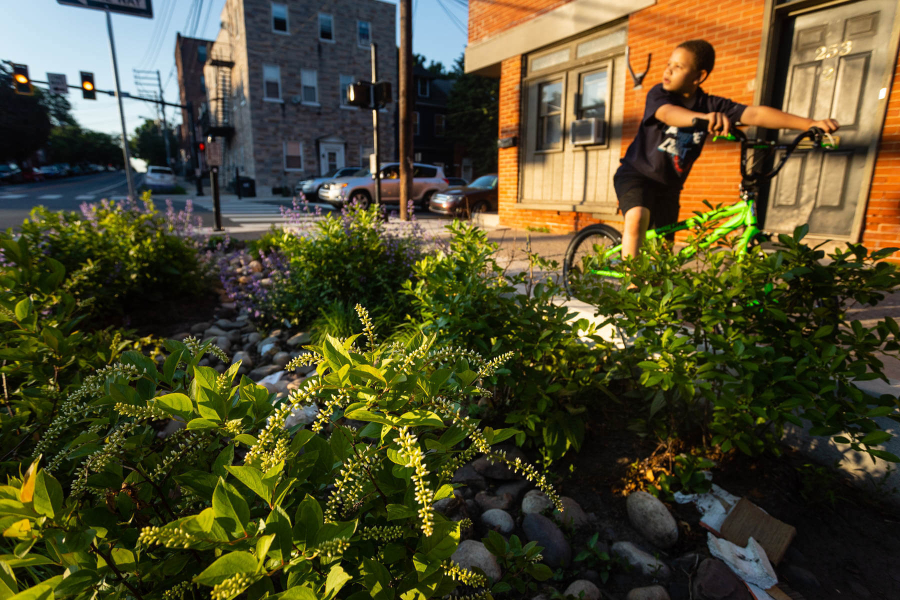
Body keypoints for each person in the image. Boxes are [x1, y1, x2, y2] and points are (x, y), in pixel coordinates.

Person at [615, 39, 840, 260]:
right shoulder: (660, 94)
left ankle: (651, 293)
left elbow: (755, 114)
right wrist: (702, 119)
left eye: (678, 66)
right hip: (637, 174)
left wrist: (809, 123)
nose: (669, 70)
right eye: (669, 64)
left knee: (663, 253)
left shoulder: (711, 104)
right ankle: (631, 285)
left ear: (699, 76)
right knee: (637, 216)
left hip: (669, 186)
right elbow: (667, 113)